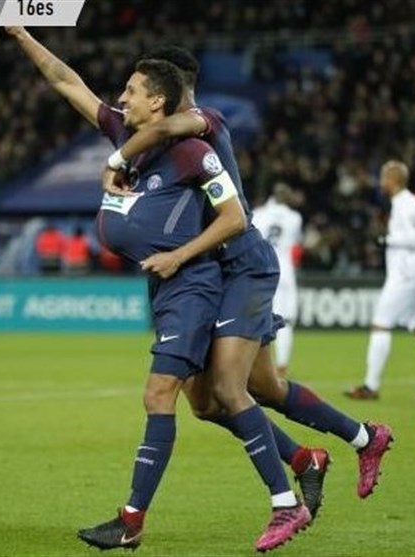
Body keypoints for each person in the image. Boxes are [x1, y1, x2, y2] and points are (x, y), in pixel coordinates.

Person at [7, 28, 311, 553]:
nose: (120, 98)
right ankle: (303, 462)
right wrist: (17, 31)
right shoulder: (125, 134)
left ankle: (153, 517)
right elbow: (64, 79)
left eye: (131, 90)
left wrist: (174, 251)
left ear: (158, 102)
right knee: (212, 401)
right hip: (168, 289)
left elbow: (233, 216)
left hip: (195, 284)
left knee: (183, 394)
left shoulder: (194, 150)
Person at [102, 43, 392, 506]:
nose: (128, 98)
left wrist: (115, 161)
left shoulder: (204, 121)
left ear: (169, 91)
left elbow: (176, 136)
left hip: (241, 264)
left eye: (144, 87)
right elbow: (72, 87)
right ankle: (357, 439)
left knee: (227, 389)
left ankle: (287, 492)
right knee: (236, 395)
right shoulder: (157, 143)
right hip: (209, 271)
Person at [345, 160, 415, 401]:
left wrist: (387, 240)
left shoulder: (407, 204)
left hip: (406, 276)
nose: (381, 182)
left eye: (384, 177)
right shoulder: (405, 203)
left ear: (393, 180)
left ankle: (370, 386)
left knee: (381, 324)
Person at [252, 182, 303, 376]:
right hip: (284, 272)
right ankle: (281, 366)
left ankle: (252, 366)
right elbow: (296, 247)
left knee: (255, 319)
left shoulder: (258, 213)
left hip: (261, 270)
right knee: (285, 321)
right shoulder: (295, 218)